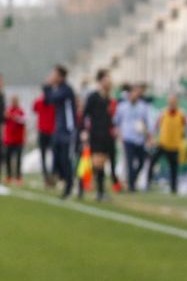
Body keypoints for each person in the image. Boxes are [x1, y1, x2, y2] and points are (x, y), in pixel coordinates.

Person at [42, 66, 79, 198]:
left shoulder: (66, 90)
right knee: (57, 157)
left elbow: (51, 99)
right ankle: (60, 180)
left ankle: (70, 186)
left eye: (54, 74)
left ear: (61, 77)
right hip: (59, 130)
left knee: (67, 159)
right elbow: (47, 101)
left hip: (68, 131)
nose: (52, 76)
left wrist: (47, 86)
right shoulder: (59, 90)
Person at [80, 70, 116, 201]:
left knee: (103, 163)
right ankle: (98, 191)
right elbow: (85, 114)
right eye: (107, 79)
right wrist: (83, 130)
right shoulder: (93, 97)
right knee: (97, 162)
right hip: (96, 133)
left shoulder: (108, 99)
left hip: (106, 134)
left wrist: (114, 128)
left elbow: (109, 117)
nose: (109, 82)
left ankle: (99, 190)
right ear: (101, 81)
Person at [114, 85, 155, 191]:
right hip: (128, 138)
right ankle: (131, 185)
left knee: (141, 161)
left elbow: (148, 122)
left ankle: (132, 179)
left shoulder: (143, 107)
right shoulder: (122, 106)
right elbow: (116, 121)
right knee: (130, 162)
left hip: (140, 139)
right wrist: (118, 132)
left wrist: (149, 136)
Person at [151, 94, 187, 194]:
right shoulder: (163, 112)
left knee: (174, 168)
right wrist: (153, 138)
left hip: (175, 145)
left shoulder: (181, 114)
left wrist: (185, 139)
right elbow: (155, 126)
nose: (172, 102)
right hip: (163, 143)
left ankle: (173, 188)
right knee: (152, 162)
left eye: (174, 100)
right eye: (170, 100)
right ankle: (148, 183)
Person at [32, 88, 56, 187]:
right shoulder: (41, 101)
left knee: (52, 155)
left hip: (51, 131)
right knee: (45, 155)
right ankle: (47, 176)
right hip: (44, 131)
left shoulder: (50, 101)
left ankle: (52, 176)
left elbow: (34, 109)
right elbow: (34, 109)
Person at [2, 95, 27, 186]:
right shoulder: (7, 111)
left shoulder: (20, 111)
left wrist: (13, 117)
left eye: (15, 101)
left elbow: (23, 120)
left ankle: (18, 177)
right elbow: (3, 122)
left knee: (18, 159)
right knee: (8, 159)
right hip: (9, 140)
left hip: (19, 140)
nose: (14, 103)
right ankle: (9, 176)